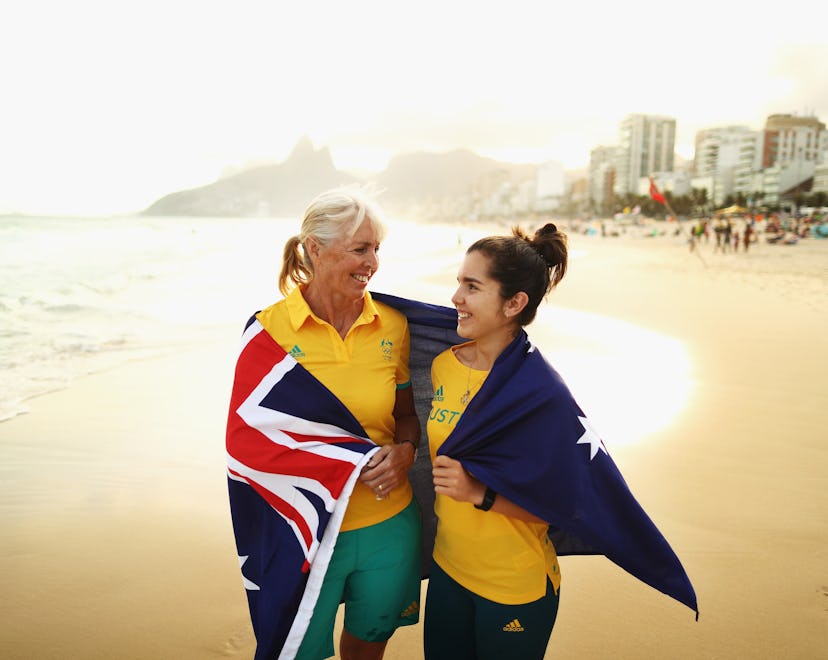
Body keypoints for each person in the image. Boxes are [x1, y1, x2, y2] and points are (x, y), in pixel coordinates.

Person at [232, 186, 422, 660]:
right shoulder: (269, 331)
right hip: (307, 533)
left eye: (377, 248)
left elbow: (405, 415)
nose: (372, 263)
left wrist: (406, 452)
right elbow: (247, 442)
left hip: (388, 526)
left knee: (368, 647)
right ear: (314, 248)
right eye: (360, 249)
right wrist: (342, 464)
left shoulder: (392, 324)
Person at [423, 223, 568, 660]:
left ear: (514, 303)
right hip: (448, 569)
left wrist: (479, 493)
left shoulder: (539, 393)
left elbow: (560, 505)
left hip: (513, 585)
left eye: (472, 287)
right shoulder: (443, 366)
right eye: (458, 283)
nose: (456, 297)